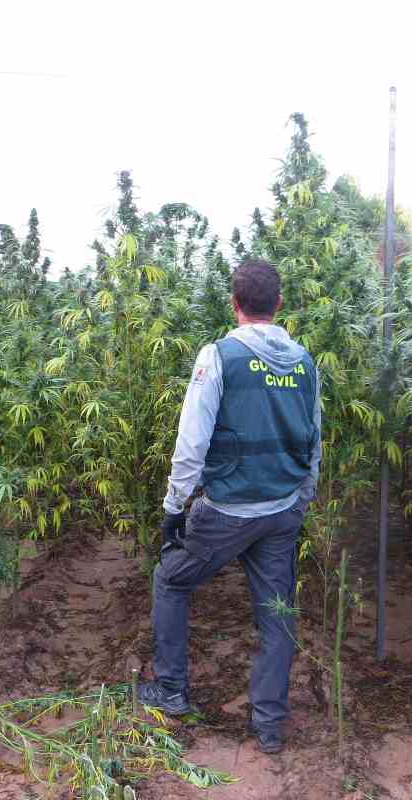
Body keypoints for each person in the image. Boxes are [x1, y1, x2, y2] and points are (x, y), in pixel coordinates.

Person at [136, 259, 321, 755]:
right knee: (276, 612)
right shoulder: (305, 362)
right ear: (279, 304)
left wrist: (175, 508)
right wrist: (300, 502)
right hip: (281, 510)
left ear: (235, 304)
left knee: (171, 579)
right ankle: (269, 725)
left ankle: (171, 689)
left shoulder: (219, 357)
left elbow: (192, 441)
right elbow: (314, 441)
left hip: (228, 511)